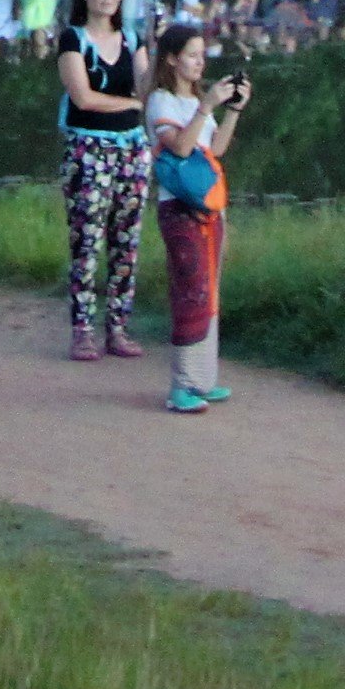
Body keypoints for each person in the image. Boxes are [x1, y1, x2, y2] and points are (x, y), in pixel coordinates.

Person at [143, 24, 248, 415]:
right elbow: (183, 147)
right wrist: (206, 108)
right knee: (191, 289)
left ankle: (204, 378)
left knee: (210, 288)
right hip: (179, 207)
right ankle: (181, 384)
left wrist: (233, 110)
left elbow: (214, 149)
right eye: (191, 55)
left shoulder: (195, 101)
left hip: (209, 206)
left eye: (202, 55)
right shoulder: (161, 101)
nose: (200, 62)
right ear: (172, 58)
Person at [51, 0, 150, 361]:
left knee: (126, 239)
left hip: (131, 146)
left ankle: (119, 327)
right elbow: (83, 97)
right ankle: (82, 328)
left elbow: (146, 85)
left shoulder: (132, 38)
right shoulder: (72, 40)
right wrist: (132, 103)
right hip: (88, 146)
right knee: (87, 238)